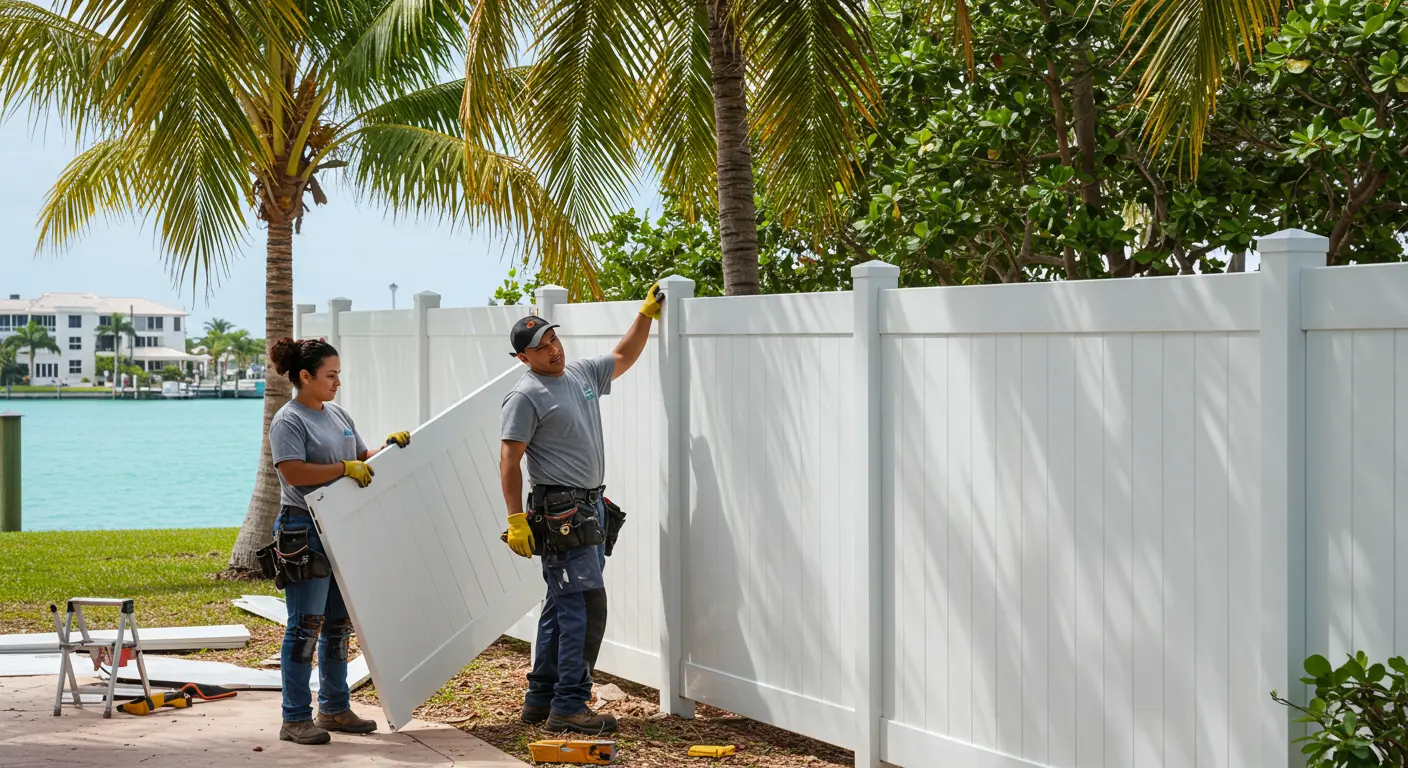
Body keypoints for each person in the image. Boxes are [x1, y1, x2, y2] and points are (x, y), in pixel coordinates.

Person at [499, 282, 664, 735]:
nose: (553, 349)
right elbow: (509, 460)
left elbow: (624, 356)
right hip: (561, 513)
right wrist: (515, 519)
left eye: (553, 339)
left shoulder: (581, 375)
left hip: (588, 508)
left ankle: (540, 700)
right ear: (523, 358)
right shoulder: (526, 396)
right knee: (584, 608)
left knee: (560, 604)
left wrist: (645, 314)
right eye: (540, 347)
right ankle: (569, 705)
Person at [266, 337, 413, 745]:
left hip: (342, 528)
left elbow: (360, 457)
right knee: (304, 626)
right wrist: (343, 468)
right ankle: (294, 718)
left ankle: (333, 708)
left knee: (337, 624)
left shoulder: (338, 414)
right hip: (304, 528)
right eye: (331, 375)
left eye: (339, 375)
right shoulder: (288, 420)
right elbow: (293, 473)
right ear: (305, 376)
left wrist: (386, 450)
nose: (337, 383)